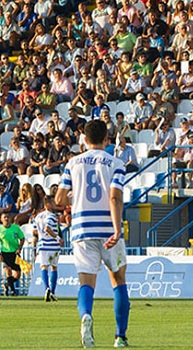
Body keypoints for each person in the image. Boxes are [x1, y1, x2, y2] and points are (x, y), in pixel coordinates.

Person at [55, 120, 130, 348]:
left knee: (86, 282)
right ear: (107, 139)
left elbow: (59, 200)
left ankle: (86, 314)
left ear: (84, 140)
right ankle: (120, 337)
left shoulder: (73, 163)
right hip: (108, 229)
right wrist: (117, 229)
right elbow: (115, 197)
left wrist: (74, 196)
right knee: (118, 280)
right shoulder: (116, 162)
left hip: (82, 229)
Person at [34, 195, 63, 302]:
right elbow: (48, 228)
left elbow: (34, 231)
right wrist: (57, 238)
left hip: (42, 245)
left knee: (43, 267)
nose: (56, 205)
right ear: (48, 204)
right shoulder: (51, 216)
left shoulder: (38, 216)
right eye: (54, 203)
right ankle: (52, 291)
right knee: (54, 267)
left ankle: (46, 288)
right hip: (52, 245)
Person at [0, 212, 25, 296]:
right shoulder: (0, 229)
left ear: (10, 218)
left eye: (8, 217)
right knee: (8, 271)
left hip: (14, 253)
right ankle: (13, 291)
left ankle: (7, 284)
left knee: (18, 274)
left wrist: (19, 249)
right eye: (4, 217)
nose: (6, 219)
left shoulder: (16, 228)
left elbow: (22, 238)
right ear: (1, 220)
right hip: (5, 253)